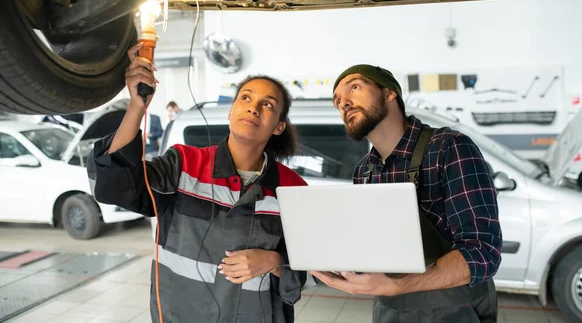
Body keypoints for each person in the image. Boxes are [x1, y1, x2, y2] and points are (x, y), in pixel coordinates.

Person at [87, 43, 309, 323]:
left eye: (267, 105)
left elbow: (311, 268)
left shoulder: (292, 189)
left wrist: (274, 262)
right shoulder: (184, 165)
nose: (253, 108)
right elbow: (115, 184)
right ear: (230, 112)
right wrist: (137, 106)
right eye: (246, 98)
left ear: (278, 126)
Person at [311, 64, 502, 323]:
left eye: (354, 87)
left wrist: (397, 286)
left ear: (389, 93)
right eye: (337, 100)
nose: (343, 102)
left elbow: (482, 253)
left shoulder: (448, 148)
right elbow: (375, 249)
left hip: (456, 309)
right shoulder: (365, 171)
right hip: (389, 310)